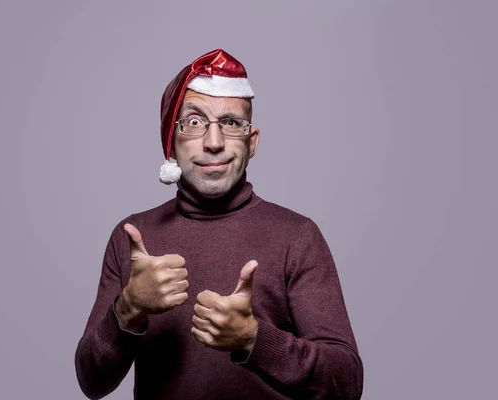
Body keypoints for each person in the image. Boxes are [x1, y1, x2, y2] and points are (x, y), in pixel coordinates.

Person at [75, 49, 364, 399]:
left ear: (251, 141)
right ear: (172, 140)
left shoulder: (297, 237)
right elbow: (92, 382)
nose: (214, 143)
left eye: (231, 123)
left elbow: (347, 383)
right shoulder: (134, 240)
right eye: (194, 123)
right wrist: (129, 309)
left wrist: (254, 340)